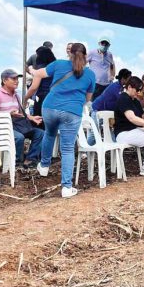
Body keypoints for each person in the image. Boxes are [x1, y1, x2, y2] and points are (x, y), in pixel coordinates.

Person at [31, 43, 96, 198]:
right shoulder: (90, 74)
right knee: (67, 149)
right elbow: (88, 98)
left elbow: (38, 73)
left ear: (70, 54)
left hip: (50, 107)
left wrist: (30, 70)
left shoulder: (59, 64)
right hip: (72, 111)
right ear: (85, 56)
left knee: (49, 134)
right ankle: (66, 187)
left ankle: (44, 166)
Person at [0, 69, 44, 168]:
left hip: (17, 124)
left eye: (17, 79)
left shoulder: (16, 95)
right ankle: (15, 162)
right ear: (4, 80)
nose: (17, 81)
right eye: (13, 78)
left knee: (40, 133)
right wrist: (9, 114)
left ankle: (30, 160)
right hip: (4, 126)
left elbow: (21, 113)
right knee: (19, 137)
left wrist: (31, 117)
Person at [114, 76, 144, 175]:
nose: (138, 92)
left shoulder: (135, 101)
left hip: (134, 131)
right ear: (129, 87)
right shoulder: (123, 98)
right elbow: (132, 118)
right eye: (137, 89)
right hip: (124, 133)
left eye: (140, 90)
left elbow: (141, 117)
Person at [23, 46, 56, 118]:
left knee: (39, 121)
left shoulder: (41, 67)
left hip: (43, 98)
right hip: (55, 98)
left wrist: (25, 98)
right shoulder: (54, 67)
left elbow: (34, 87)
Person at [88, 35, 115, 100]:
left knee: (103, 103)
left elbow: (112, 65)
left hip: (106, 84)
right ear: (99, 43)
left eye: (106, 44)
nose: (104, 45)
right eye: (103, 43)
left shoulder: (110, 54)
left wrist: (112, 76)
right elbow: (83, 63)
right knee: (92, 103)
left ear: (109, 45)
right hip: (95, 83)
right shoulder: (92, 52)